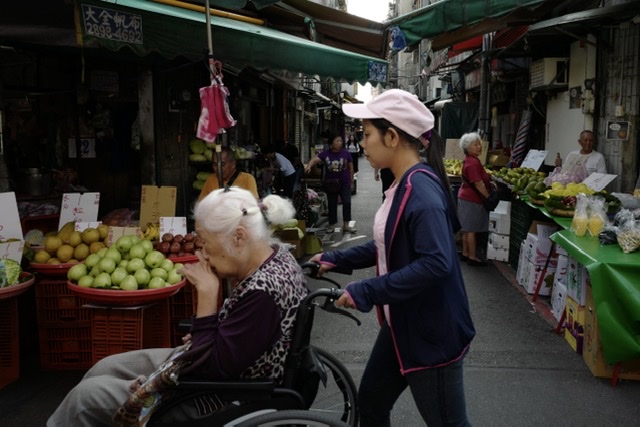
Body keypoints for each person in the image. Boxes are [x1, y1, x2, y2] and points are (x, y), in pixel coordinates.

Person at [47, 188, 308, 426]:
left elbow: (212, 369)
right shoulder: (274, 253)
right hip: (209, 365)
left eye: (205, 242)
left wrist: (207, 296)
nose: (202, 253)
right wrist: (206, 332)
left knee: (84, 399)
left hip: (220, 394)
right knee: (103, 368)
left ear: (239, 237)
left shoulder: (263, 292)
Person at [310, 89, 475, 426]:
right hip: (402, 323)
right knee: (370, 403)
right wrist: (337, 259)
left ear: (392, 136)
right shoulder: (402, 184)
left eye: (367, 134)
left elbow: (436, 264)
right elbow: (388, 244)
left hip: (431, 330)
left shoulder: (421, 191)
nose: (362, 143)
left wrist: (365, 290)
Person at [304, 133, 356, 233]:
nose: (339, 143)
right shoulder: (326, 153)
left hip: (344, 182)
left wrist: (352, 181)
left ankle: (346, 225)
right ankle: (332, 225)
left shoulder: (346, 153)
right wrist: (309, 166)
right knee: (332, 204)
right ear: (331, 143)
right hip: (331, 183)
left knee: (347, 202)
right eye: (337, 141)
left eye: (341, 141)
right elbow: (314, 160)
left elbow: (351, 167)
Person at [458, 132, 491, 267]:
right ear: (467, 147)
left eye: (479, 144)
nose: (479, 147)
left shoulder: (470, 160)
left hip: (466, 197)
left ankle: (466, 253)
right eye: (475, 144)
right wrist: (488, 197)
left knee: (467, 228)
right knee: (471, 229)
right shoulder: (472, 163)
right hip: (472, 198)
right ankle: (472, 257)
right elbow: (478, 183)